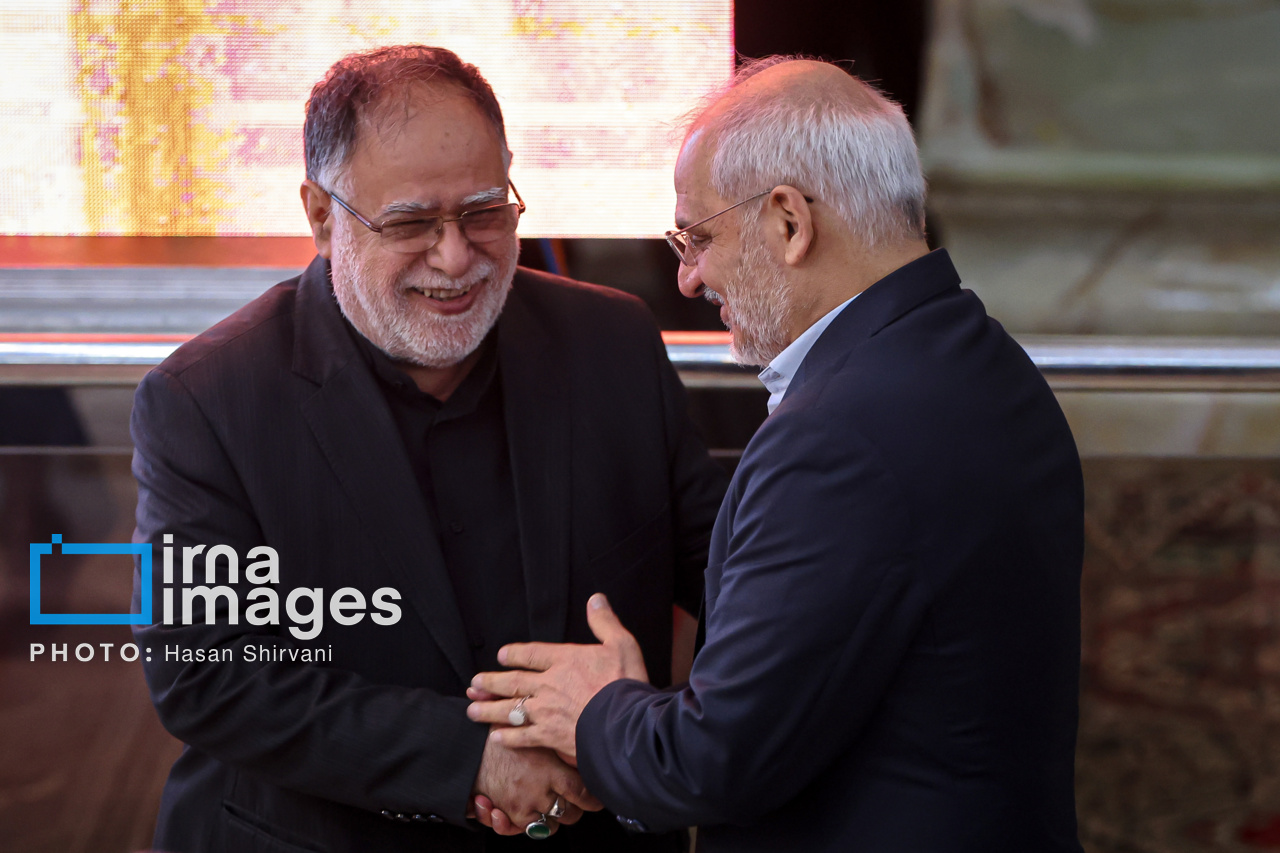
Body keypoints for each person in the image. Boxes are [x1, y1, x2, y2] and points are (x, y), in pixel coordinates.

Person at [467, 57, 1086, 852]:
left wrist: (593, 711)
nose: (688, 277)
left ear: (789, 222)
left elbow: (714, 761)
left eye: (698, 237)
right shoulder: (987, 361)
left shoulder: (836, 440)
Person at [129, 45, 726, 853]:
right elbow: (203, 673)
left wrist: (641, 729)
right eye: (411, 223)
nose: (456, 256)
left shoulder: (612, 340)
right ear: (320, 216)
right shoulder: (203, 398)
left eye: (485, 211)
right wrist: (471, 758)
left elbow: (730, 574)